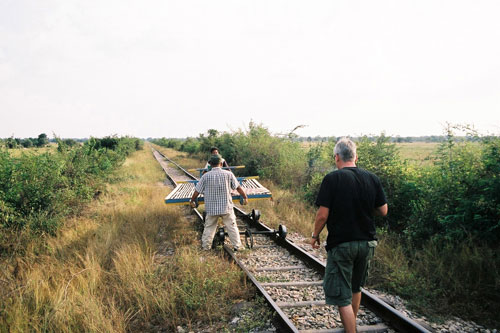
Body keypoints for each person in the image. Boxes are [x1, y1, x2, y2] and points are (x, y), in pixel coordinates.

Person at [310, 138, 388, 333]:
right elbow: (383, 210)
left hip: (343, 244)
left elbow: (322, 215)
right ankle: (350, 325)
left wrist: (314, 235)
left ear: (337, 157)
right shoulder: (372, 178)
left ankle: (351, 331)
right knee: (355, 288)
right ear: (356, 157)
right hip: (367, 243)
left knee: (342, 295)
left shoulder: (332, 178)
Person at [190, 154, 248, 251]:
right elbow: (237, 187)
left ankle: (206, 247)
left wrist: (192, 200)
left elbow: (197, 191)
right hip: (226, 207)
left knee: (209, 228)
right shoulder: (228, 174)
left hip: (211, 209)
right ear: (221, 163)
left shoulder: (205, 176)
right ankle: (238, 246)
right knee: (232, 227)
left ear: (210, 164)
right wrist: (245, 197)